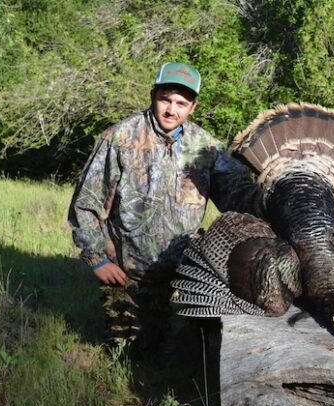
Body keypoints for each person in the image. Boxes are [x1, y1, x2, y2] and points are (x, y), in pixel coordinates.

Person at [68, 62, 263, 348]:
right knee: (130, 353)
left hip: (184, 272)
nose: (172, 110)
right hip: (127, 272)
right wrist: (97, 259)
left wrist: (274, 192)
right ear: (153, 96)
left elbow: (241, 198)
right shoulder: (120, 137)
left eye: (181, 103)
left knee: (194, 351)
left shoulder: (206, 148)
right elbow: (86, 202)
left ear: (193, 107)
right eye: (165, 99)